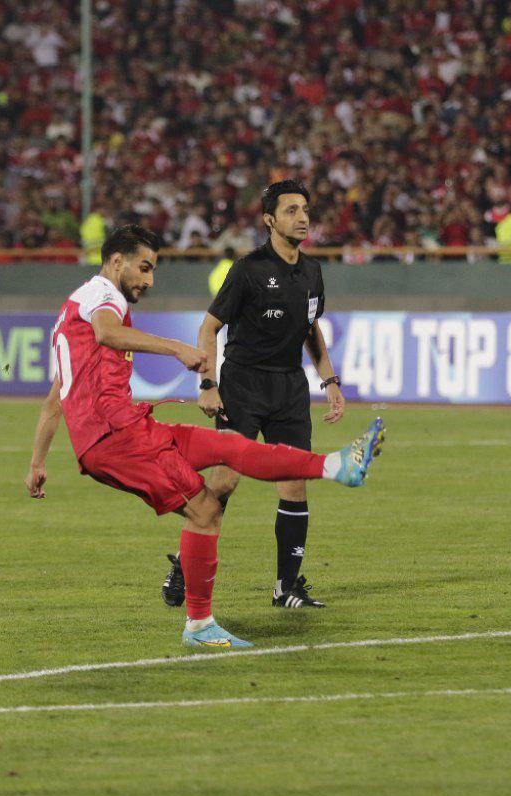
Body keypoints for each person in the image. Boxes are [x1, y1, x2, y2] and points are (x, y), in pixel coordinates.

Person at [25, 224, 384, 650]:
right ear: (116, 261)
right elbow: (107, 332)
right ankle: (198, 623)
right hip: (114, 437)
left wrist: (37, 463)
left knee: (228, 447)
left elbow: (56, 398)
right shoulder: (105, 296)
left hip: (127, 428)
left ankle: (336, 465)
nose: (149, 280)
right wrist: (176, 348)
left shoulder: (73, 309)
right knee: (206, 509)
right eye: (144, 268)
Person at [162, 180, 345, 611]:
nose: (302, 218)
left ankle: (287, 587)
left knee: (295, 482)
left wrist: (329, 380)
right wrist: (208, 385)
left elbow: (310, 328)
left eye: (305, 209)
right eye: (291, 210)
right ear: (269, 220)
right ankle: (185, 565)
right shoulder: (248, 270)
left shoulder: (313, 272)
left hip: (289, 387)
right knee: (225, 479)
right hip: (242, 385)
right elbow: (209, 327)